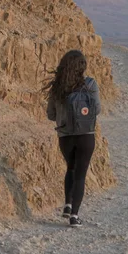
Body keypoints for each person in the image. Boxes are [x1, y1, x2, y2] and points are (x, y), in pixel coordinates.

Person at [44, 50, 101, 227]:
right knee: (81, 175)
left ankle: (67, 205)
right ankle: (74, 216)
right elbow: (97, 109)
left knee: (71, 168)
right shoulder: (90, 84)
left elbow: (50, 114)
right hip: (86, 135)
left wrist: (64, 116)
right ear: (82, 66)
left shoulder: (58, 87)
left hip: (65, 136)